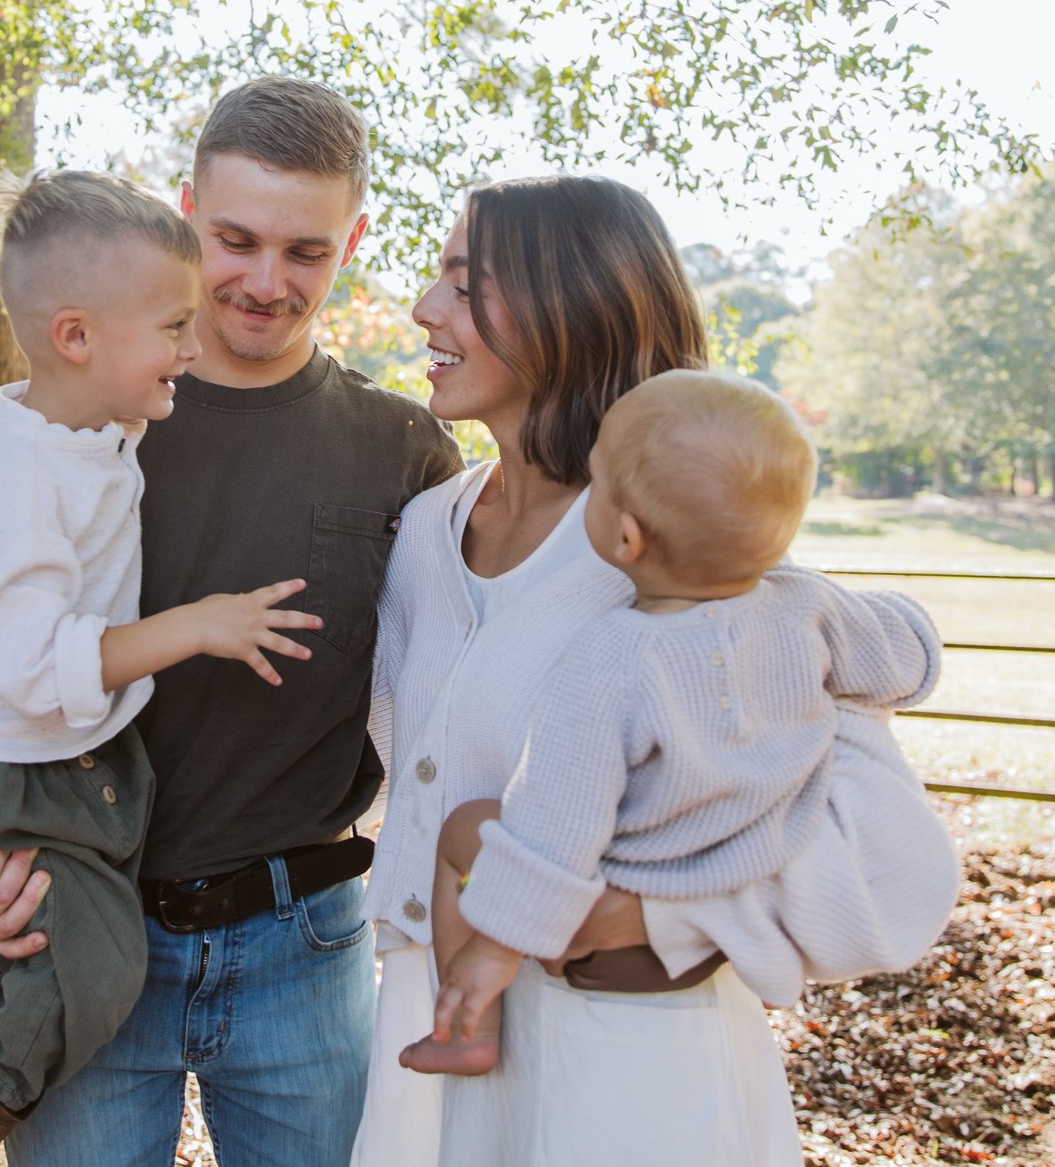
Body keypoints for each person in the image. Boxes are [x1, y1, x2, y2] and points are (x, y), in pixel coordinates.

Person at [0, 78, 464, 1167]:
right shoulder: (71, 422)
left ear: (354, 236)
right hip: (82, 934)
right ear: (187, 203)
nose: (262, 281)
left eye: (305, 251)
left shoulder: (406, 455)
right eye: (234, 239)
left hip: (307, 942)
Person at [355, 175, 957, 1167]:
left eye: (465, 284)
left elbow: (890, 868)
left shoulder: (678, 557)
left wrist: (635, 916)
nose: (424, 307)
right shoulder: (426, 532)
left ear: (575, 308)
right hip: (430, 1065)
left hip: (624, 1078)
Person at [0, 170, 326, 1167]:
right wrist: (197, 624)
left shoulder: (84, 427)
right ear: (76, 338)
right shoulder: (21, 472)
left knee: (55, 946)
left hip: (37, 752)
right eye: (172, 327)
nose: (191, 346)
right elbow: (28, 663)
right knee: (92, 965)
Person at [397, 369, 942, 1078]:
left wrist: (498, 945)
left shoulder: (614, 653)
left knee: (463, 828)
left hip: (636, 868)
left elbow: (559, 812)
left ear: (624, 536)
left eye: (597, 482)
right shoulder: (805, 606)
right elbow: (907, 660)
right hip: (743, 861)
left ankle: (468, 1027)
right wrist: (908, 626)